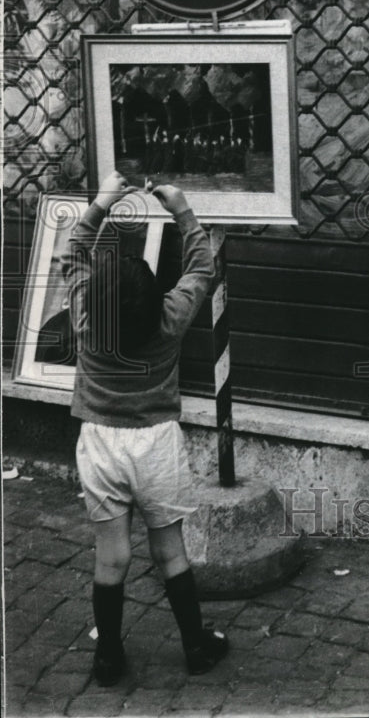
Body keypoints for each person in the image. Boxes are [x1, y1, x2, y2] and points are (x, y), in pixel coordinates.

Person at [61, 171, 229, 686]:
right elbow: (201, 268)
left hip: (100, 443)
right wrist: (180, 208)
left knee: (111, 556)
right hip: (156, 444)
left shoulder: (88, 319)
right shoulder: (169, 318)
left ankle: (108, 656)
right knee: (170, 550)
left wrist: (103, 202)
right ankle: (196, 646)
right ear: (156, 297)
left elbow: (73, 255)